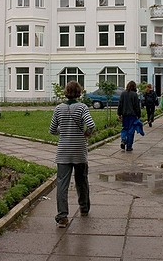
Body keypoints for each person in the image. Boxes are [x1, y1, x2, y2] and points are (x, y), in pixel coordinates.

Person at [49, 81, 96, 229]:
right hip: (79, 151)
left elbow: (52, 130)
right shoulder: (82, 107)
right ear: (79, 92)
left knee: (62, 183)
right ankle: (84, 208)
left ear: (66, 92)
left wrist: (63, 132)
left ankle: (62, 216)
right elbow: (91, 125)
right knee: (81, 180)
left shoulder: (58, 108)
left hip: (63, 151)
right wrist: (86, 134)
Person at [117, 80, 142, 152]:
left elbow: (120, 104)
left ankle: (123, 139)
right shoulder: (134, 95)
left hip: (124, 115)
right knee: (131, 131)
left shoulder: (123, 94)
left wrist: (119, 114)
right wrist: (139, 115)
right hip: (132, 115)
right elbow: (137, 106)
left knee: (125, 128)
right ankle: (129, 146)